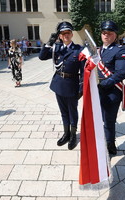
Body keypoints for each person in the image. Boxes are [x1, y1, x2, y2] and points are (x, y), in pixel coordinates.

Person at [39, 21, 85, 150]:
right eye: (63, 33)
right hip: (59, 84)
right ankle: (66, 133)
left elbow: (83, 72)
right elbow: (41, 57)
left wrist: (81, 89)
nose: (66, 35)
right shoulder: (56, 48)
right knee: (63, 112)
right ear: (59, 35)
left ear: (71, 34)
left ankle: (73, 136)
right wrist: (49, 43)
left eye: (68, 32)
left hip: (72, 85)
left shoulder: (79, 50)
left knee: (72, 112)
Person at [98, 20, 125, 155]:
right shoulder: (98, 50)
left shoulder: (120, 50)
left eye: (110, 33)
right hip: (97, 91)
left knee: (109, 120)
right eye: (104, 33)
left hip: (111, 92)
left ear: (115, 35)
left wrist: (105, 83)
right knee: (98, 118)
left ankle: (110, 144)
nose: (106, 35)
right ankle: (100, 142)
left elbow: (122, 73)